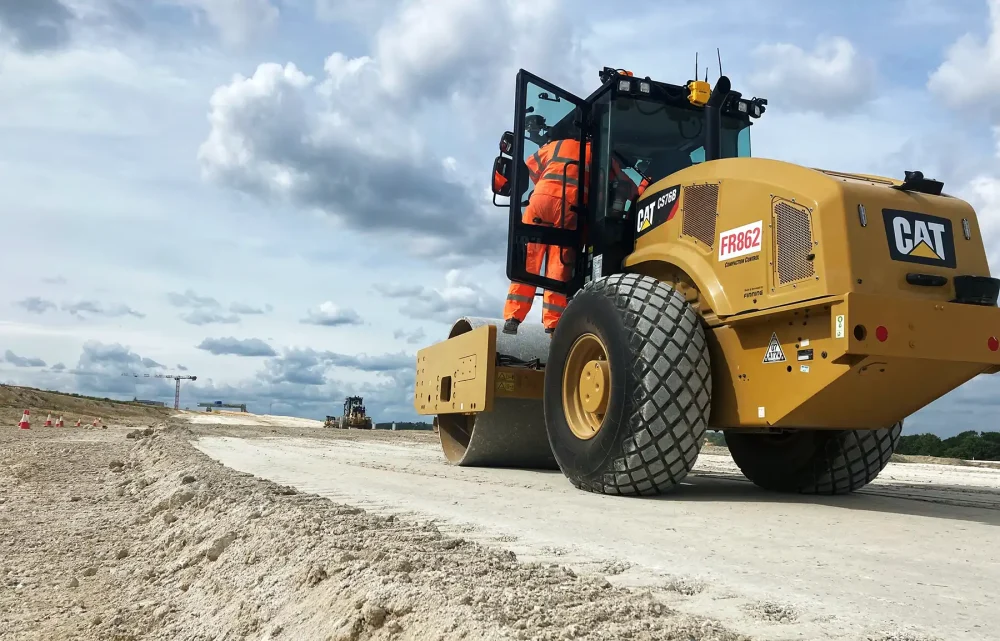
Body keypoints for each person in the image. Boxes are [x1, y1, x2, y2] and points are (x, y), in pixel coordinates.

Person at [503, 136, 635, 336]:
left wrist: (546, 185)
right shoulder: (601, 154)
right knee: (558, 266)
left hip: (539, 201)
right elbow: (628, 187)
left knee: (527, 262)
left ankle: (513, 316)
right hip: (568, 207)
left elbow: (528, 168)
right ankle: (553, 323)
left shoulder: (555, 146)